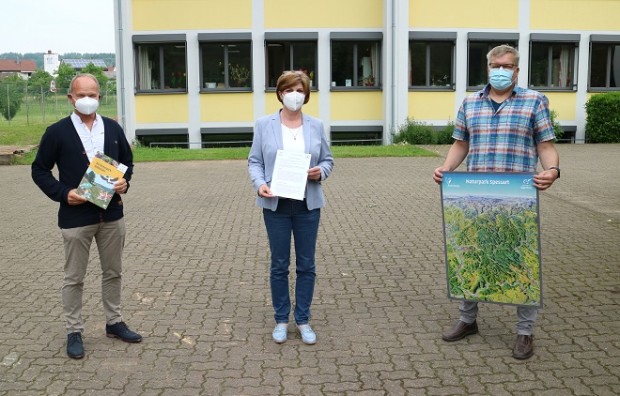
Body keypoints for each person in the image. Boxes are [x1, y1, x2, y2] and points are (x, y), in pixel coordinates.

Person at [432, 45, 560, 360]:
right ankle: (467, 320)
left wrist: (553, 169)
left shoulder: (534, 101)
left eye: (507, 65)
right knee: (470, 253)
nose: (500, 70)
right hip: (475, 195)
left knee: (522, 259)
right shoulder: (470, 103)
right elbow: (461, 143)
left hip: (517, 198)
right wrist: (447, 169)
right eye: (494, 65)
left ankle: (525, 332)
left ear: (517, 70)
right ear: (488, 67)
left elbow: (545, 145)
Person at [32, 73, 142, 359]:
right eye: (81, 95)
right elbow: (39, 170)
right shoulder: (56, 132)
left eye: (92, 95)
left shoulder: (113, 129)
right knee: (74, 278)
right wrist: (63, 193)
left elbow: (127, 163)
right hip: (75, 218)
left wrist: (124, 182)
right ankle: (74, 330)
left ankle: (114, 322)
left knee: (113, 272)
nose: (87, 100)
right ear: (71, 97)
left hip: (112, 215)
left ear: (99, 97)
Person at [248, 71, 334, 345]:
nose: (294, 95)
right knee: (279, 264)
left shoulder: (316, 125)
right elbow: (254, 161)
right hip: (276, 205)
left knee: (307, 264)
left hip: (308, 205)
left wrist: (320, 172)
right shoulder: (264, 124)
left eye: (299, 90)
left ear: (306, 94)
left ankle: (304, 319)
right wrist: (259, 183)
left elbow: (329, 160)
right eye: (289, 90)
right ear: (280, 93)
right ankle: (282, 319)